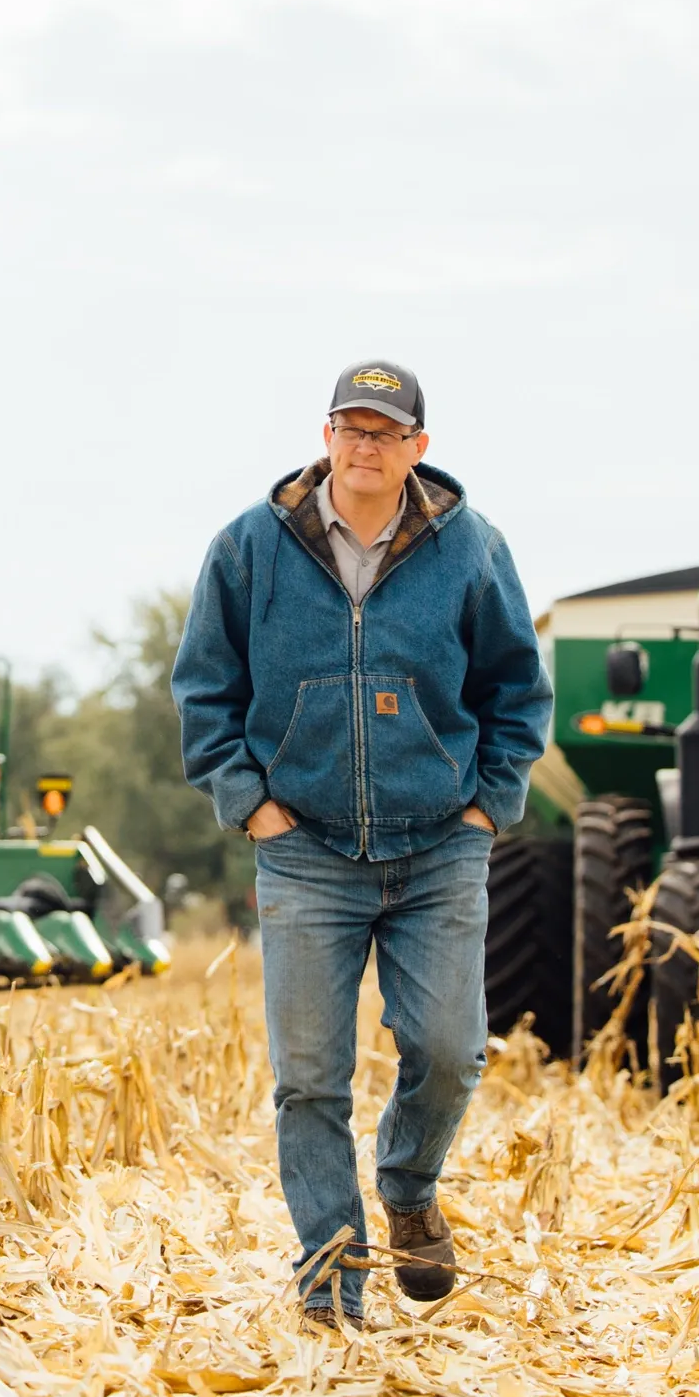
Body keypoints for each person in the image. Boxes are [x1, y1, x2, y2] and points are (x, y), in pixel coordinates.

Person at [171, 360, 552, 1328]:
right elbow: (203, 688)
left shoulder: (470, 550)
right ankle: (332, 1282)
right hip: (303, 852)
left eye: (384, 432)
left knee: (449, 1050)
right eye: (350, 427)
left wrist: (487, 807)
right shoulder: (251, 549)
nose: (364, 446)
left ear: (418, 448)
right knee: (308, 1079)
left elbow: (518, 690)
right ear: (325, 436)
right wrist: (250, 804)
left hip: (438, 849)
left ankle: (410, 1185)